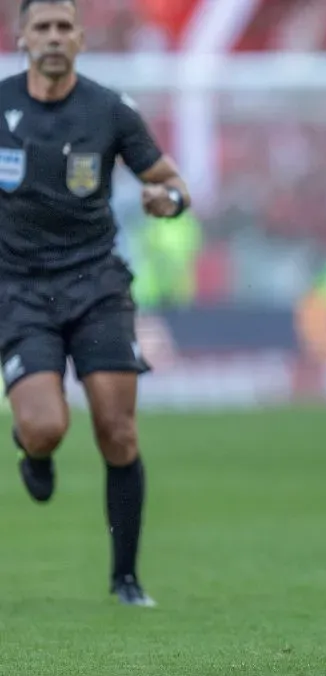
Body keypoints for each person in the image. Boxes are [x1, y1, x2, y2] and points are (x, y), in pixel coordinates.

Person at [0, 0, 191, 607]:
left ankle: (126, 578)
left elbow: (171, 182)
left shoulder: (109, 109)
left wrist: (169, 201)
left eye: (63, 28)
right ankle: (34, 450)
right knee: (45, 427)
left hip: (96, 284)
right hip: (19, 289)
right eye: (43, 28)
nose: (54, 38)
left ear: (79, 39)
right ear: (22, 36)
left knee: (118, 431)